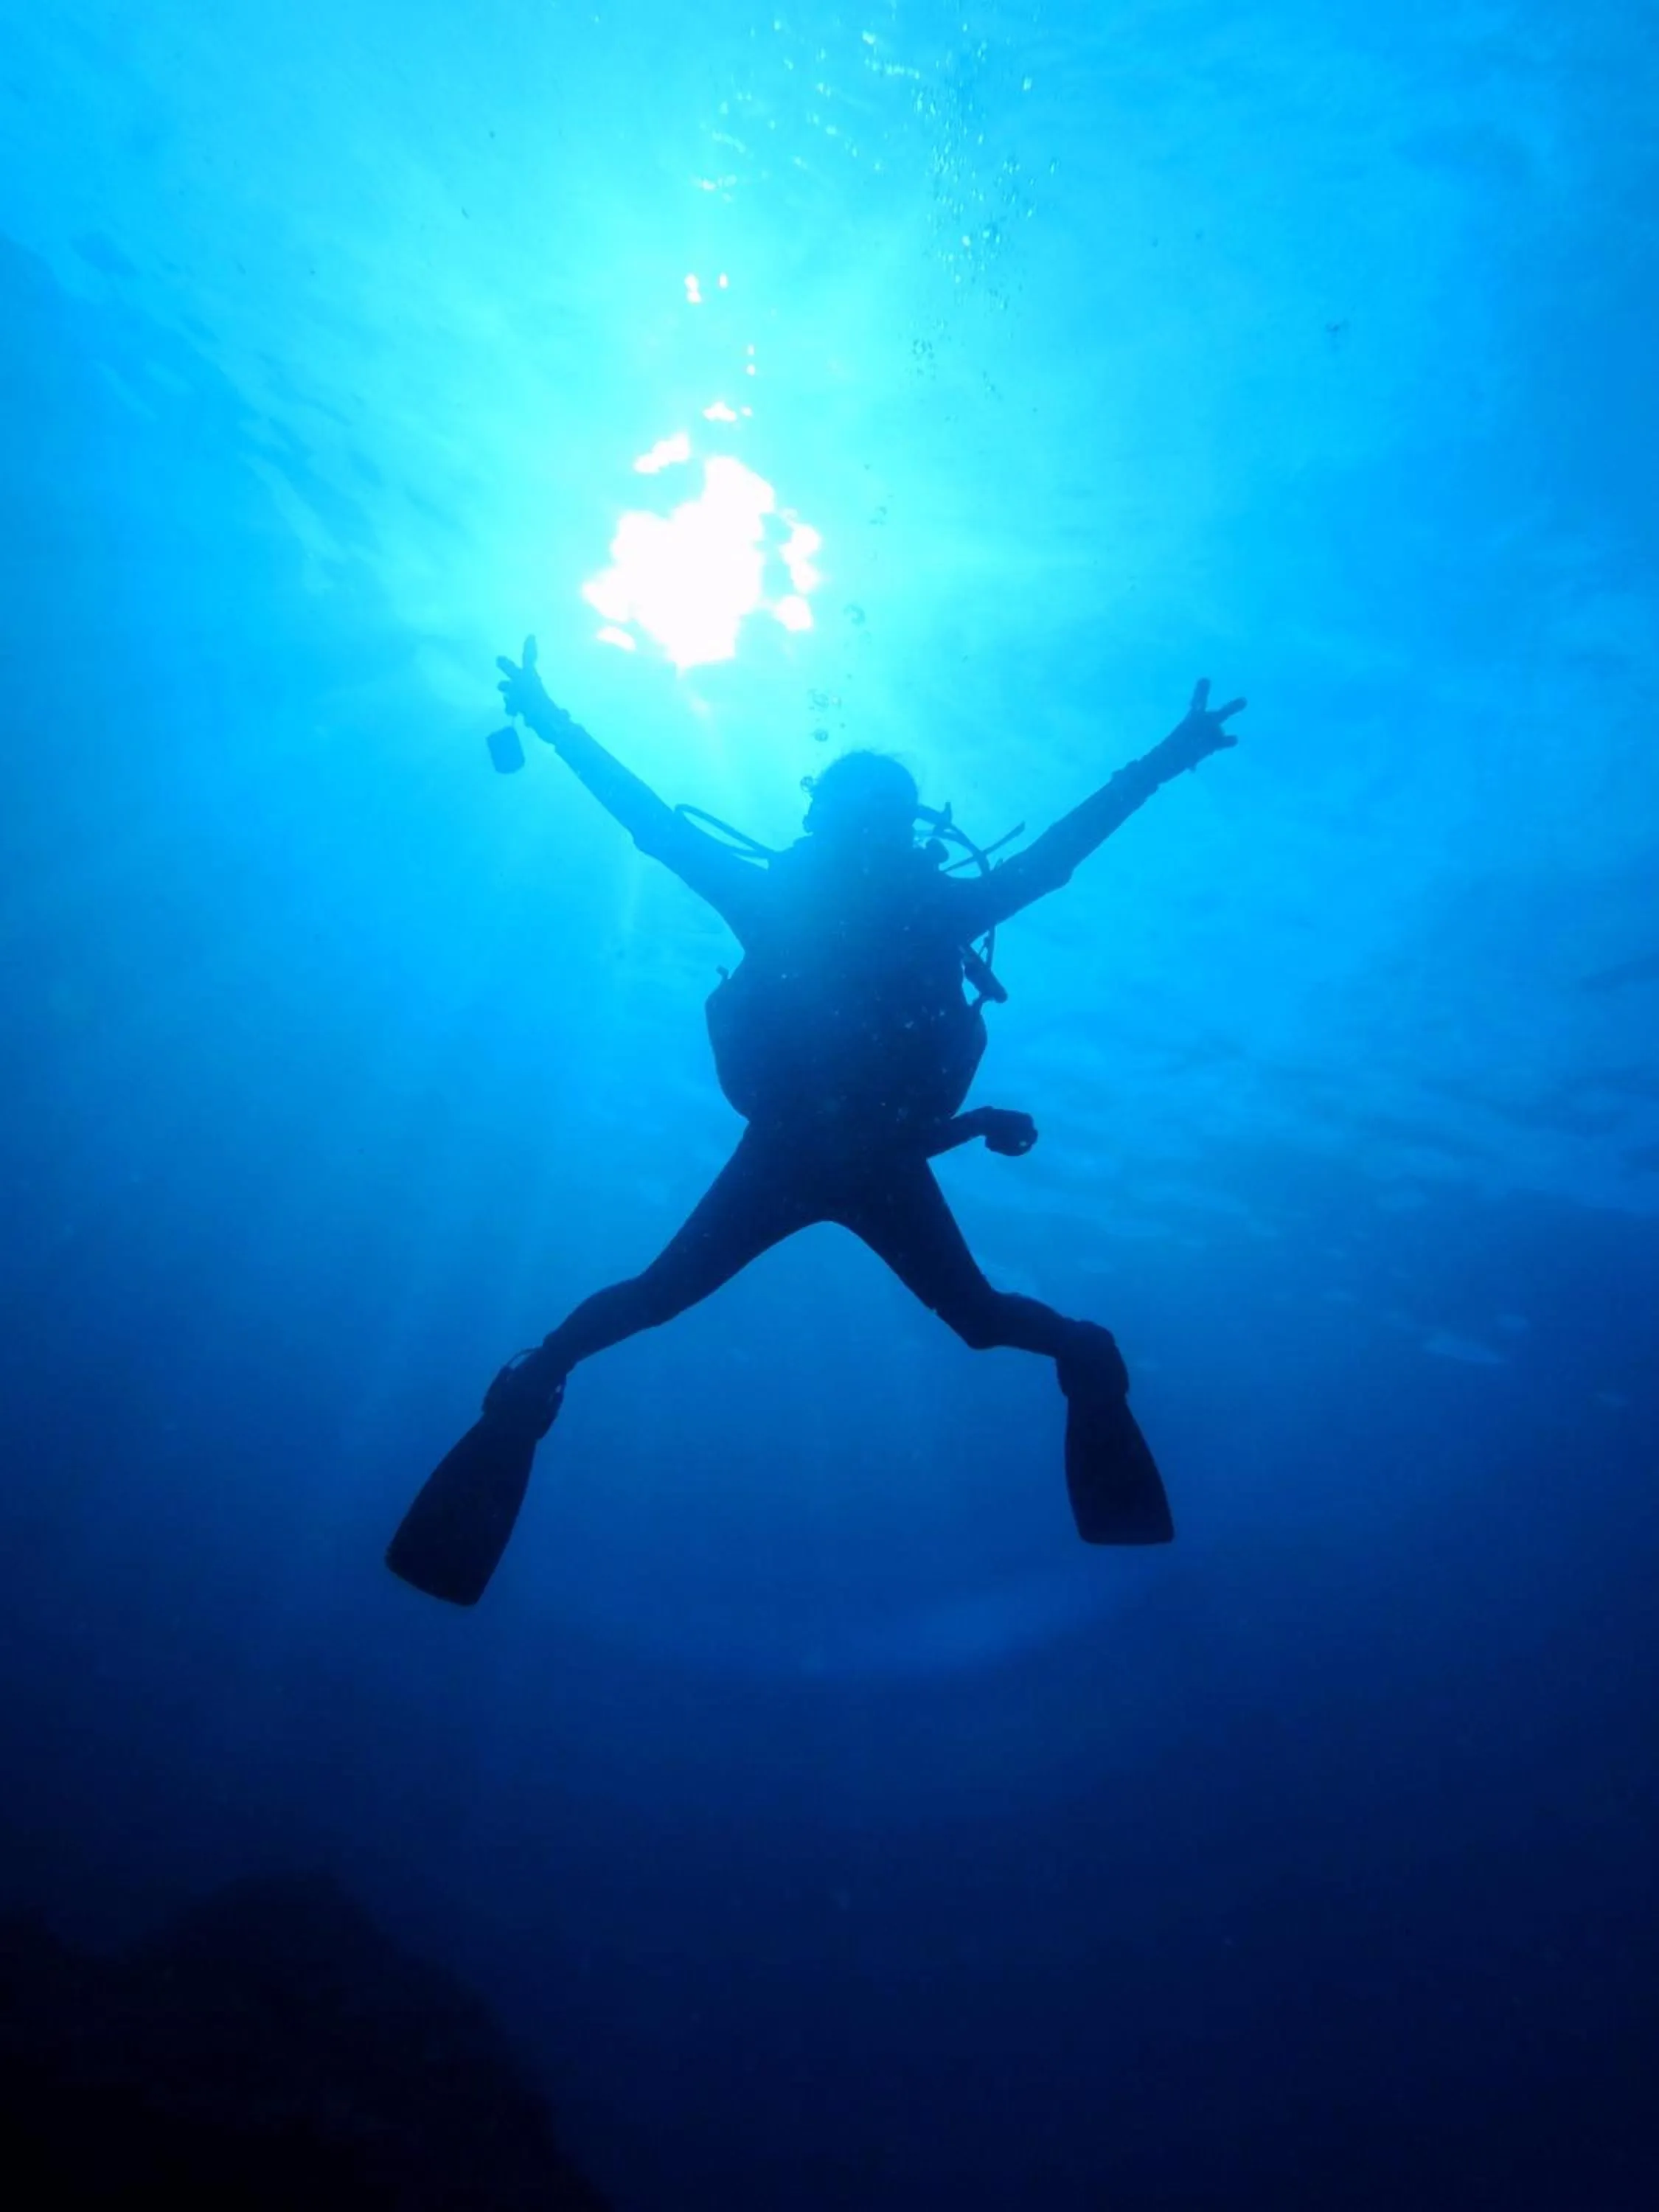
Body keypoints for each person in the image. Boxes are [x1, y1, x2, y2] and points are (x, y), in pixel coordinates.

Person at [387, 641, 1244, 1604]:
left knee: (673, 1299)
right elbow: (1055, 856)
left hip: (815, 1153)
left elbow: (652, 825)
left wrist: (551, 720)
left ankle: (534, 1380)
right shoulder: (923, 909)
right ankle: (1082, 1356)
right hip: (851, 1155)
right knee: (957, 1318)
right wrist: (1166, 758)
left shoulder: (797, 904)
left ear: (831, 822)